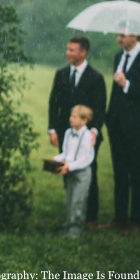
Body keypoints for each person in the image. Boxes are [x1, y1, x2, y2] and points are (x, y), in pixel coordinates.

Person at [48, 36, 106, 227]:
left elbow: (99, 107)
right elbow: (53, 103)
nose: (68, 53)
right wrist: (52, 129)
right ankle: (72, 213)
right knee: (67, 171)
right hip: (66, 133)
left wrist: (94, 132)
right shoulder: (61, 73)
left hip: (87, 136)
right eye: (68, 49)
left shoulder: (96, 78)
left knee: (88, 173)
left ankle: (90, 217)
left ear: (83, 52)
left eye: (72, 50)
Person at [105, 33, 140, 233]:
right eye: (118, 35)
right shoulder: (118, 57)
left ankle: (136, 221)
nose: (119, 39)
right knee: (120, 172)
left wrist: (127, 84)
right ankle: (120, 217)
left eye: (123, 35)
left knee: (136, 173)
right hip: (117, 124)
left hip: (138, 126)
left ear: (136, 35)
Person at [52, 105, 95, 238]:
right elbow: (66, 153)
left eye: (74, 117)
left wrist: (69, 166)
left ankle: (76, 229)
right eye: (71, 116)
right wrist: (54, 160)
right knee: (70, 199)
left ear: (84, 120)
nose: (70, 119)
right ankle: (69, 225)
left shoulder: (87, 136)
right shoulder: (68, 133)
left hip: (82, 173)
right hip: (70, 171)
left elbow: (85, 159)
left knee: (78, 200)